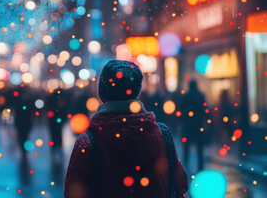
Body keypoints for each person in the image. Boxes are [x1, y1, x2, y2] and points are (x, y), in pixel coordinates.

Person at [64, 60, 188, 198]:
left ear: (101, 94)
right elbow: (179, 186)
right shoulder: (161, 134)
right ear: (137, 91)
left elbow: (73, 192)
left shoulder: (87, 142)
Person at [179, 80, 206, 172]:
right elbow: (204, 110)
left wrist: (182, 121)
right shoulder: (200, 96)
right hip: (198, 124)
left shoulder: (185, 97)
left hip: (188, 124)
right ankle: (200, 166)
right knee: (199, 147)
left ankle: (185, 165)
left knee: (187, 145)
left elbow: (181, 110)